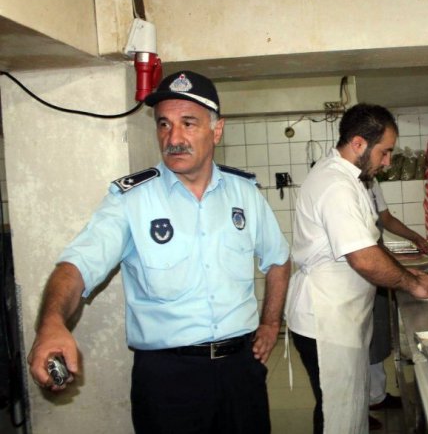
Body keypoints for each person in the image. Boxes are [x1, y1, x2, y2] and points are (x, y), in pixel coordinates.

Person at [26, 70, 291, 434]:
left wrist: (271, 323)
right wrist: (52, 323)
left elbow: (278, 259)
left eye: (188, 123)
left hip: (240, 372)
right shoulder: (131, 200)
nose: (174, 138)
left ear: (217, 130)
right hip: (168, 380)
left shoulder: (244, 194)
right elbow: (77, 267)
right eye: (164, 124)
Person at [285, 103, 428, 434]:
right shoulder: (335, 184)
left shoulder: (348, 177)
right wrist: (412, 284)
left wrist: (408, 273)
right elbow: (364, 257)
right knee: (336, 414)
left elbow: (367, 244)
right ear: (358, 144)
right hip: (324, 321)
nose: (387, 162)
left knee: (347, 406)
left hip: (338, 316)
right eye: (384, 152)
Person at [366, 179, 428, 430]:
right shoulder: (342, 181)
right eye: (383, 152)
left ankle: (376, 396)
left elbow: (386, 218)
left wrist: (415, 237)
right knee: (360, 343)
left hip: (377, 262)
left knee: (378, 334)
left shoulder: (371, 182)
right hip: (360, 268)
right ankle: (359, 407)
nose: (386, 162)